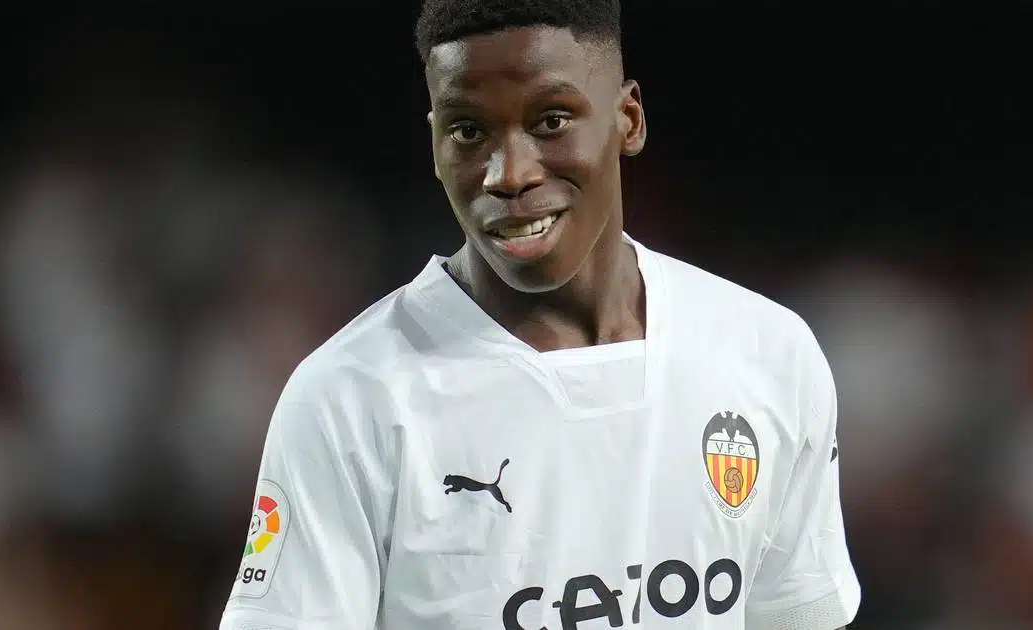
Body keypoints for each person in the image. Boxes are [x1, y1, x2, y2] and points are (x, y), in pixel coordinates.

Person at [219, 1, 861, 628]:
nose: (509, 174)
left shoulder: (765, 353)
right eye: (468, 131)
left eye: (551, 121)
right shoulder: (350, 399)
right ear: (435, 142)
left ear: (628, 119)